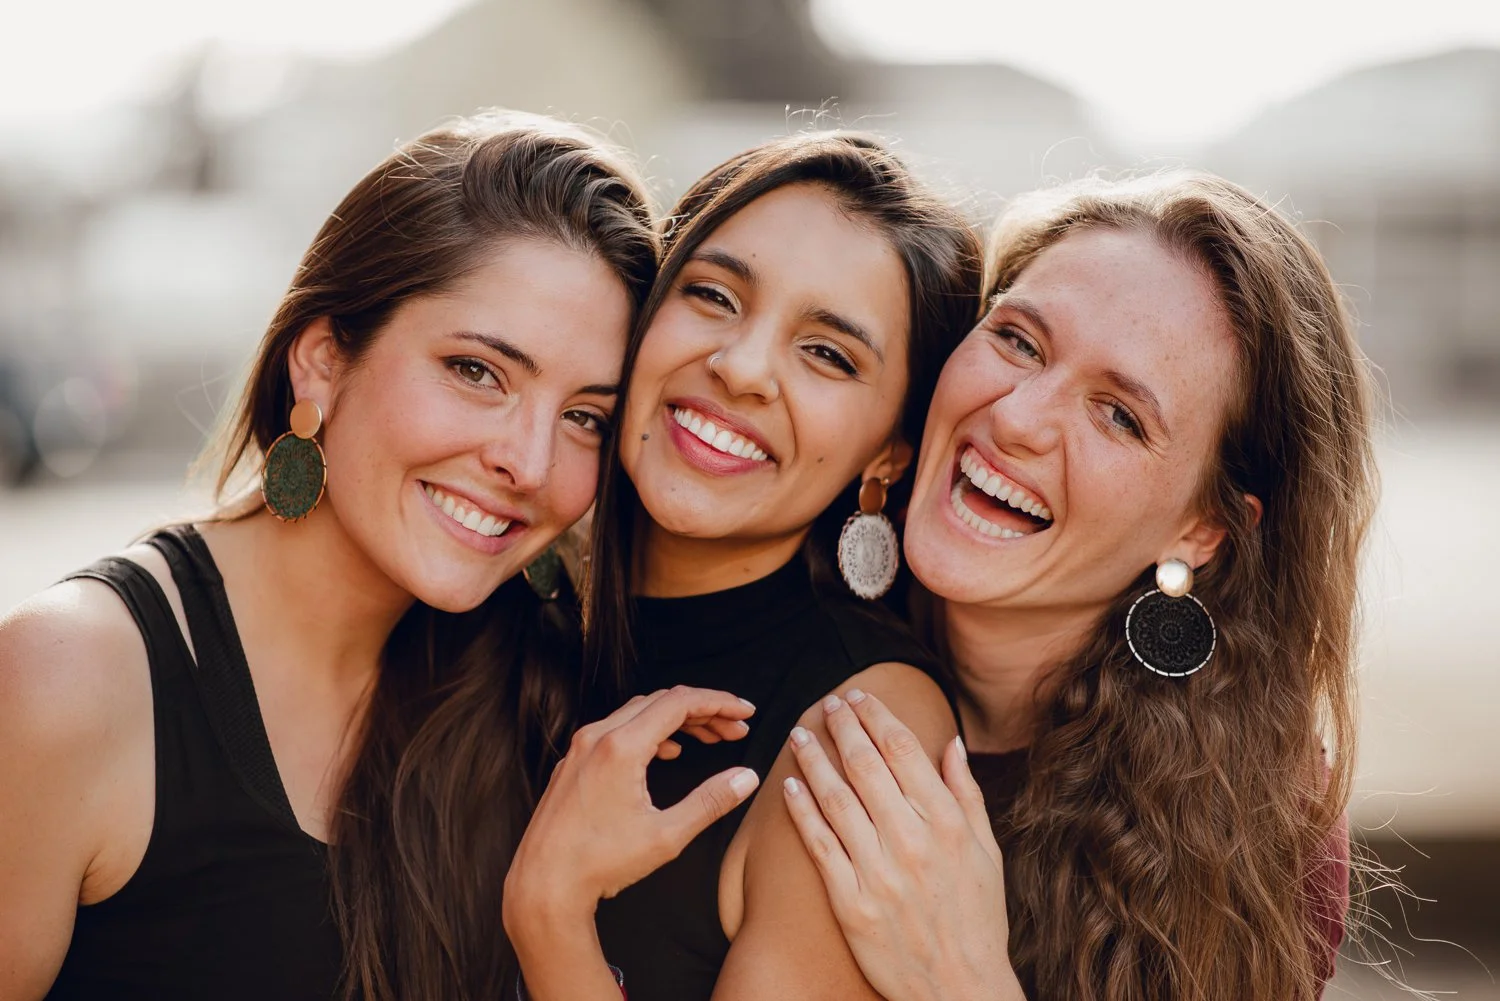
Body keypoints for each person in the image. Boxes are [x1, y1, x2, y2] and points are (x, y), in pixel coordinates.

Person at [0, 111, 682, 1001]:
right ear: (322, 359)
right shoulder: (68, 680)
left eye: (585, 415)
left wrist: (553, 913)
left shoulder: (551, 696)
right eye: (478, 371)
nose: (532, 461)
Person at [778, 172, 1375, 1001]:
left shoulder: (1257, 817)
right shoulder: (776, 623)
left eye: (1120, 415)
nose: (1018, 418)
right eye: (1019, 341)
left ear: (1201, 528)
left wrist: (963, 979)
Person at [502, 132, 984, 1000]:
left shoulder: (861, 730)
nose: (743, 367)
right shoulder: (500, 595)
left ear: (887, 457)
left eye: (828, 354)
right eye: (715, 296)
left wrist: (552, 917)